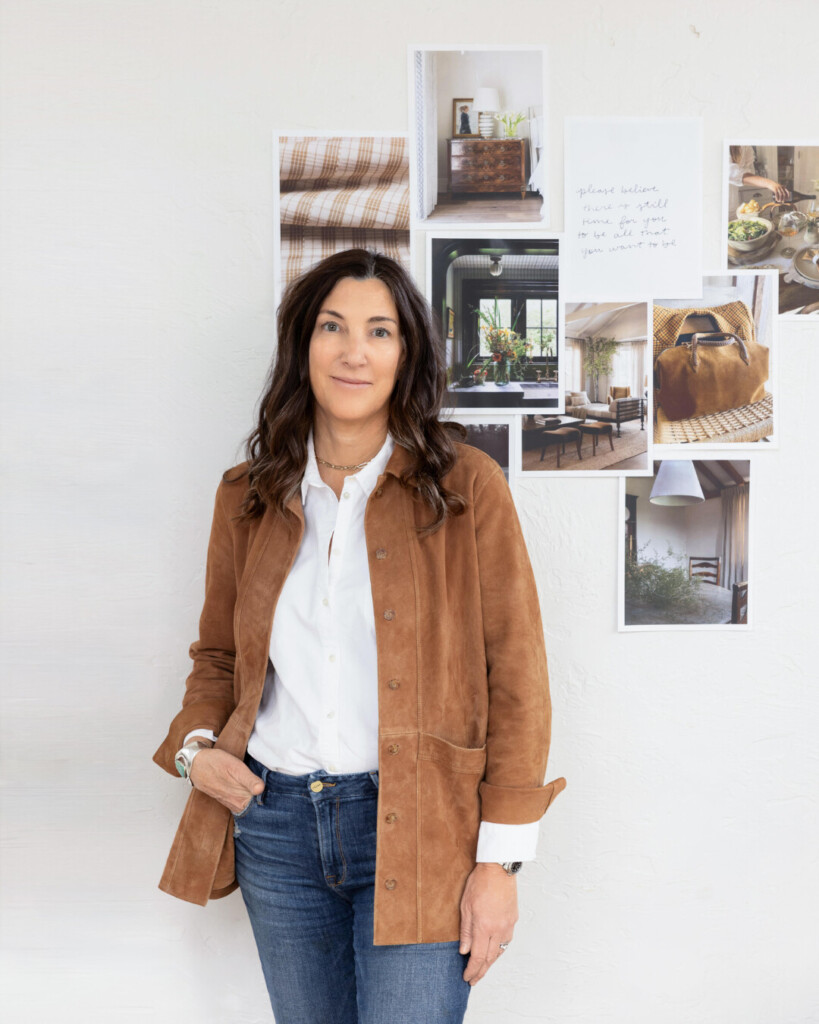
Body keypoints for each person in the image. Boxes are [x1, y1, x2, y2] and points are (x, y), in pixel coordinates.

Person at [152, 248, 566, 1023]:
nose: (353, 350)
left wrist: (500, 861)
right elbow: (217, 655)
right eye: (332, 327)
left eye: (379, 331)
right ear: (301, 345)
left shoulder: (466, 486)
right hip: (274, 825)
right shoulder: (246, 495)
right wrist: (194, 750)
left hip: (421, 824)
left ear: (404, 355)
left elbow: (516, 676)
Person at [728, 145, 790, 216]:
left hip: (734, 203)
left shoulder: (746, 146)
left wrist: (770, 184)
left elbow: (749, 172)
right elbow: (730, 173)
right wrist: (769, 183)